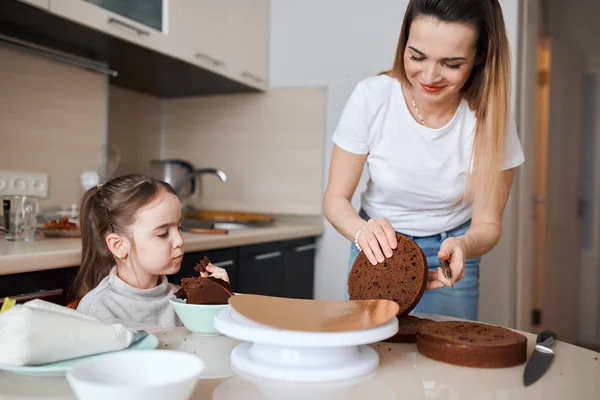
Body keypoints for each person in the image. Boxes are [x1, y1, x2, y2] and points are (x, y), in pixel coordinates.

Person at [323, 0, 524, 321]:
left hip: (449, 251)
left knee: (446, 360)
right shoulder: (372, 97)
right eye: (416, 56)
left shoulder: (491, 121)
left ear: (479, 57)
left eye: (452, 63)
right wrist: (361, 233)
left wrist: (464, 246)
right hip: (377, 248)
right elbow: (335, 199)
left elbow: (487, 224)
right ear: (404, 43)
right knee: (369, 356)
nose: (429, 75)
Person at [74, 174, 229, 330]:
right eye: (163, 233)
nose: (179, 241)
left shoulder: (184, 299)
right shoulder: (97, 309)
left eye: (179, 228)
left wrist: (216, 302)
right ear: (118, 245)